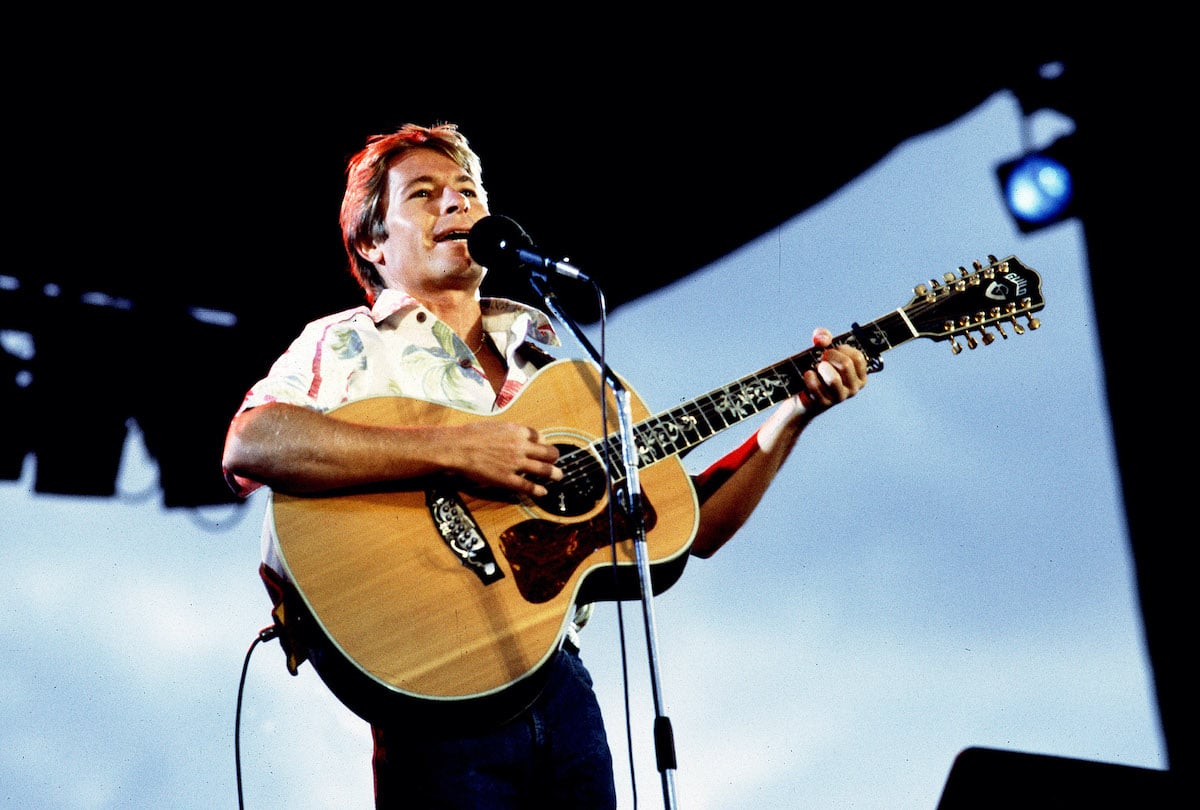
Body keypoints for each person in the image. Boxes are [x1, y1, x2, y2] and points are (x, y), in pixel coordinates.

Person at [221, 122, 869, 808]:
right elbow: (254, 443)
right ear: (373, 243)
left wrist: (795, 413)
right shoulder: (345, 341)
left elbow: (691, 526)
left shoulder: (555, 373)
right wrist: (457, 450)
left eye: (468, 190)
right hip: (432, 689)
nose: (456, 204)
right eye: (424, 194)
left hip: (560, 687)